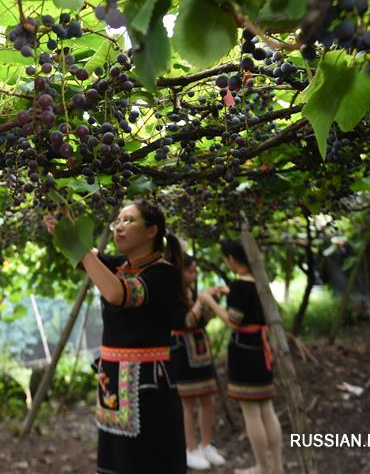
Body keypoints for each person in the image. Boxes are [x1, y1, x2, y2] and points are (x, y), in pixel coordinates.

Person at [44, 201, 186, 474]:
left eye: (128, 220)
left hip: (148, 388)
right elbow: (86, 260)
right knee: (117, 462)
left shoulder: (163, 273)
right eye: (117, 221)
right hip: (114, 387)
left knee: (147, 462)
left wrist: (80, 248)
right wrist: (64, 226)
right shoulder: (122, 265)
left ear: (151, 231)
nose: (119, 227)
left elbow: (118, 294)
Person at [199, 240, 283, 474]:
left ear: (232, 259)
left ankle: (262, 467)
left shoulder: (240, 287)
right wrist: (229, 294)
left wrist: (209, 302)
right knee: (267, 408)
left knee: (251, 412)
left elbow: (233, 321)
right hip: (261, 349)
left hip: (244, 352)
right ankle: (276, 467)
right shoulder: (260, 283)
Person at [170, 254, 226, 470]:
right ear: (180, 272)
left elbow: (202, 320)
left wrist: (211, 302)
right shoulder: (172, 294)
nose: (193, 275)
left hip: (200, 349)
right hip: (182, 351)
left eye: (195, 271)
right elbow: (185, 321)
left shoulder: (192, 292)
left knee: (208, 399)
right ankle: (189, 448)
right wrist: (201, 301)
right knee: (188, 402)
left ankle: (206, 444)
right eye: (190, 271)